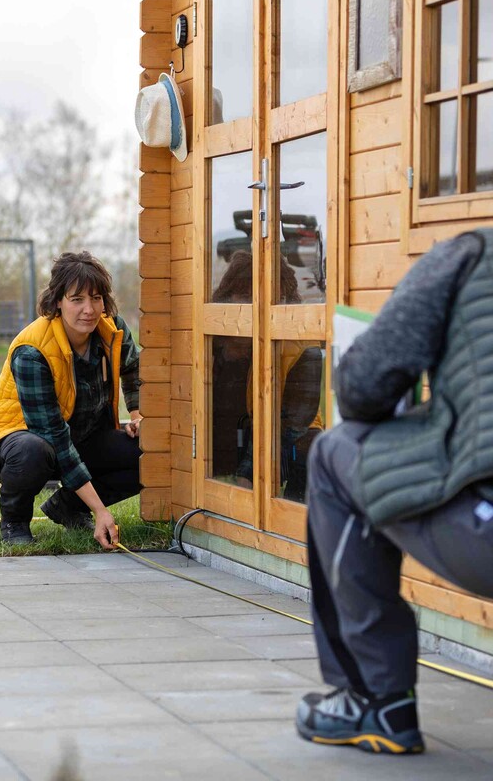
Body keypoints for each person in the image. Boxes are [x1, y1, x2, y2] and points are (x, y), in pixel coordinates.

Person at [296, 229, 493, 755]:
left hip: (484, 528)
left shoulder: (470, 254)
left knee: (333, 453)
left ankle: (375, 698)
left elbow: (363, 386)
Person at [0, 251, 141, 549]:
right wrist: (101, 511)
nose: (89, 309)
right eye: (77, 300)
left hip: (82, 436)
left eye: (96, 298)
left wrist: (138, 415)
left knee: (149, 450)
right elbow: (52, 435)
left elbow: (135, 369)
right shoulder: (31, 350)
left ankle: (69, 506)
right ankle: (15, 522)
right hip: (19, 442)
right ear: (57, 302)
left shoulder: (113, 330)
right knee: (32, 450)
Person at [211, 251, 323, 499]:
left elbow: (286, 427)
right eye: (246, 296)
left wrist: (247, 474)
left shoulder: (302, 349)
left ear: (282, 298)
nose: (254, 306)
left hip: (302, 447)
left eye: (264, 296)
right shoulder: (239, 346)